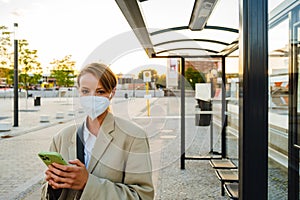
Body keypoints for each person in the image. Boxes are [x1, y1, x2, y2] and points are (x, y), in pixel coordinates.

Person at [41, 63, 154, 200]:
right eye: (85, 91)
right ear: (78, 91)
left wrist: (87, 183)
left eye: (100, 92)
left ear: (112, 93)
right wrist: (53, 186)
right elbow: (46, 192)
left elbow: (142, 196)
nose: (92, 98)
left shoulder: (134, 137)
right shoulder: (62, 138)